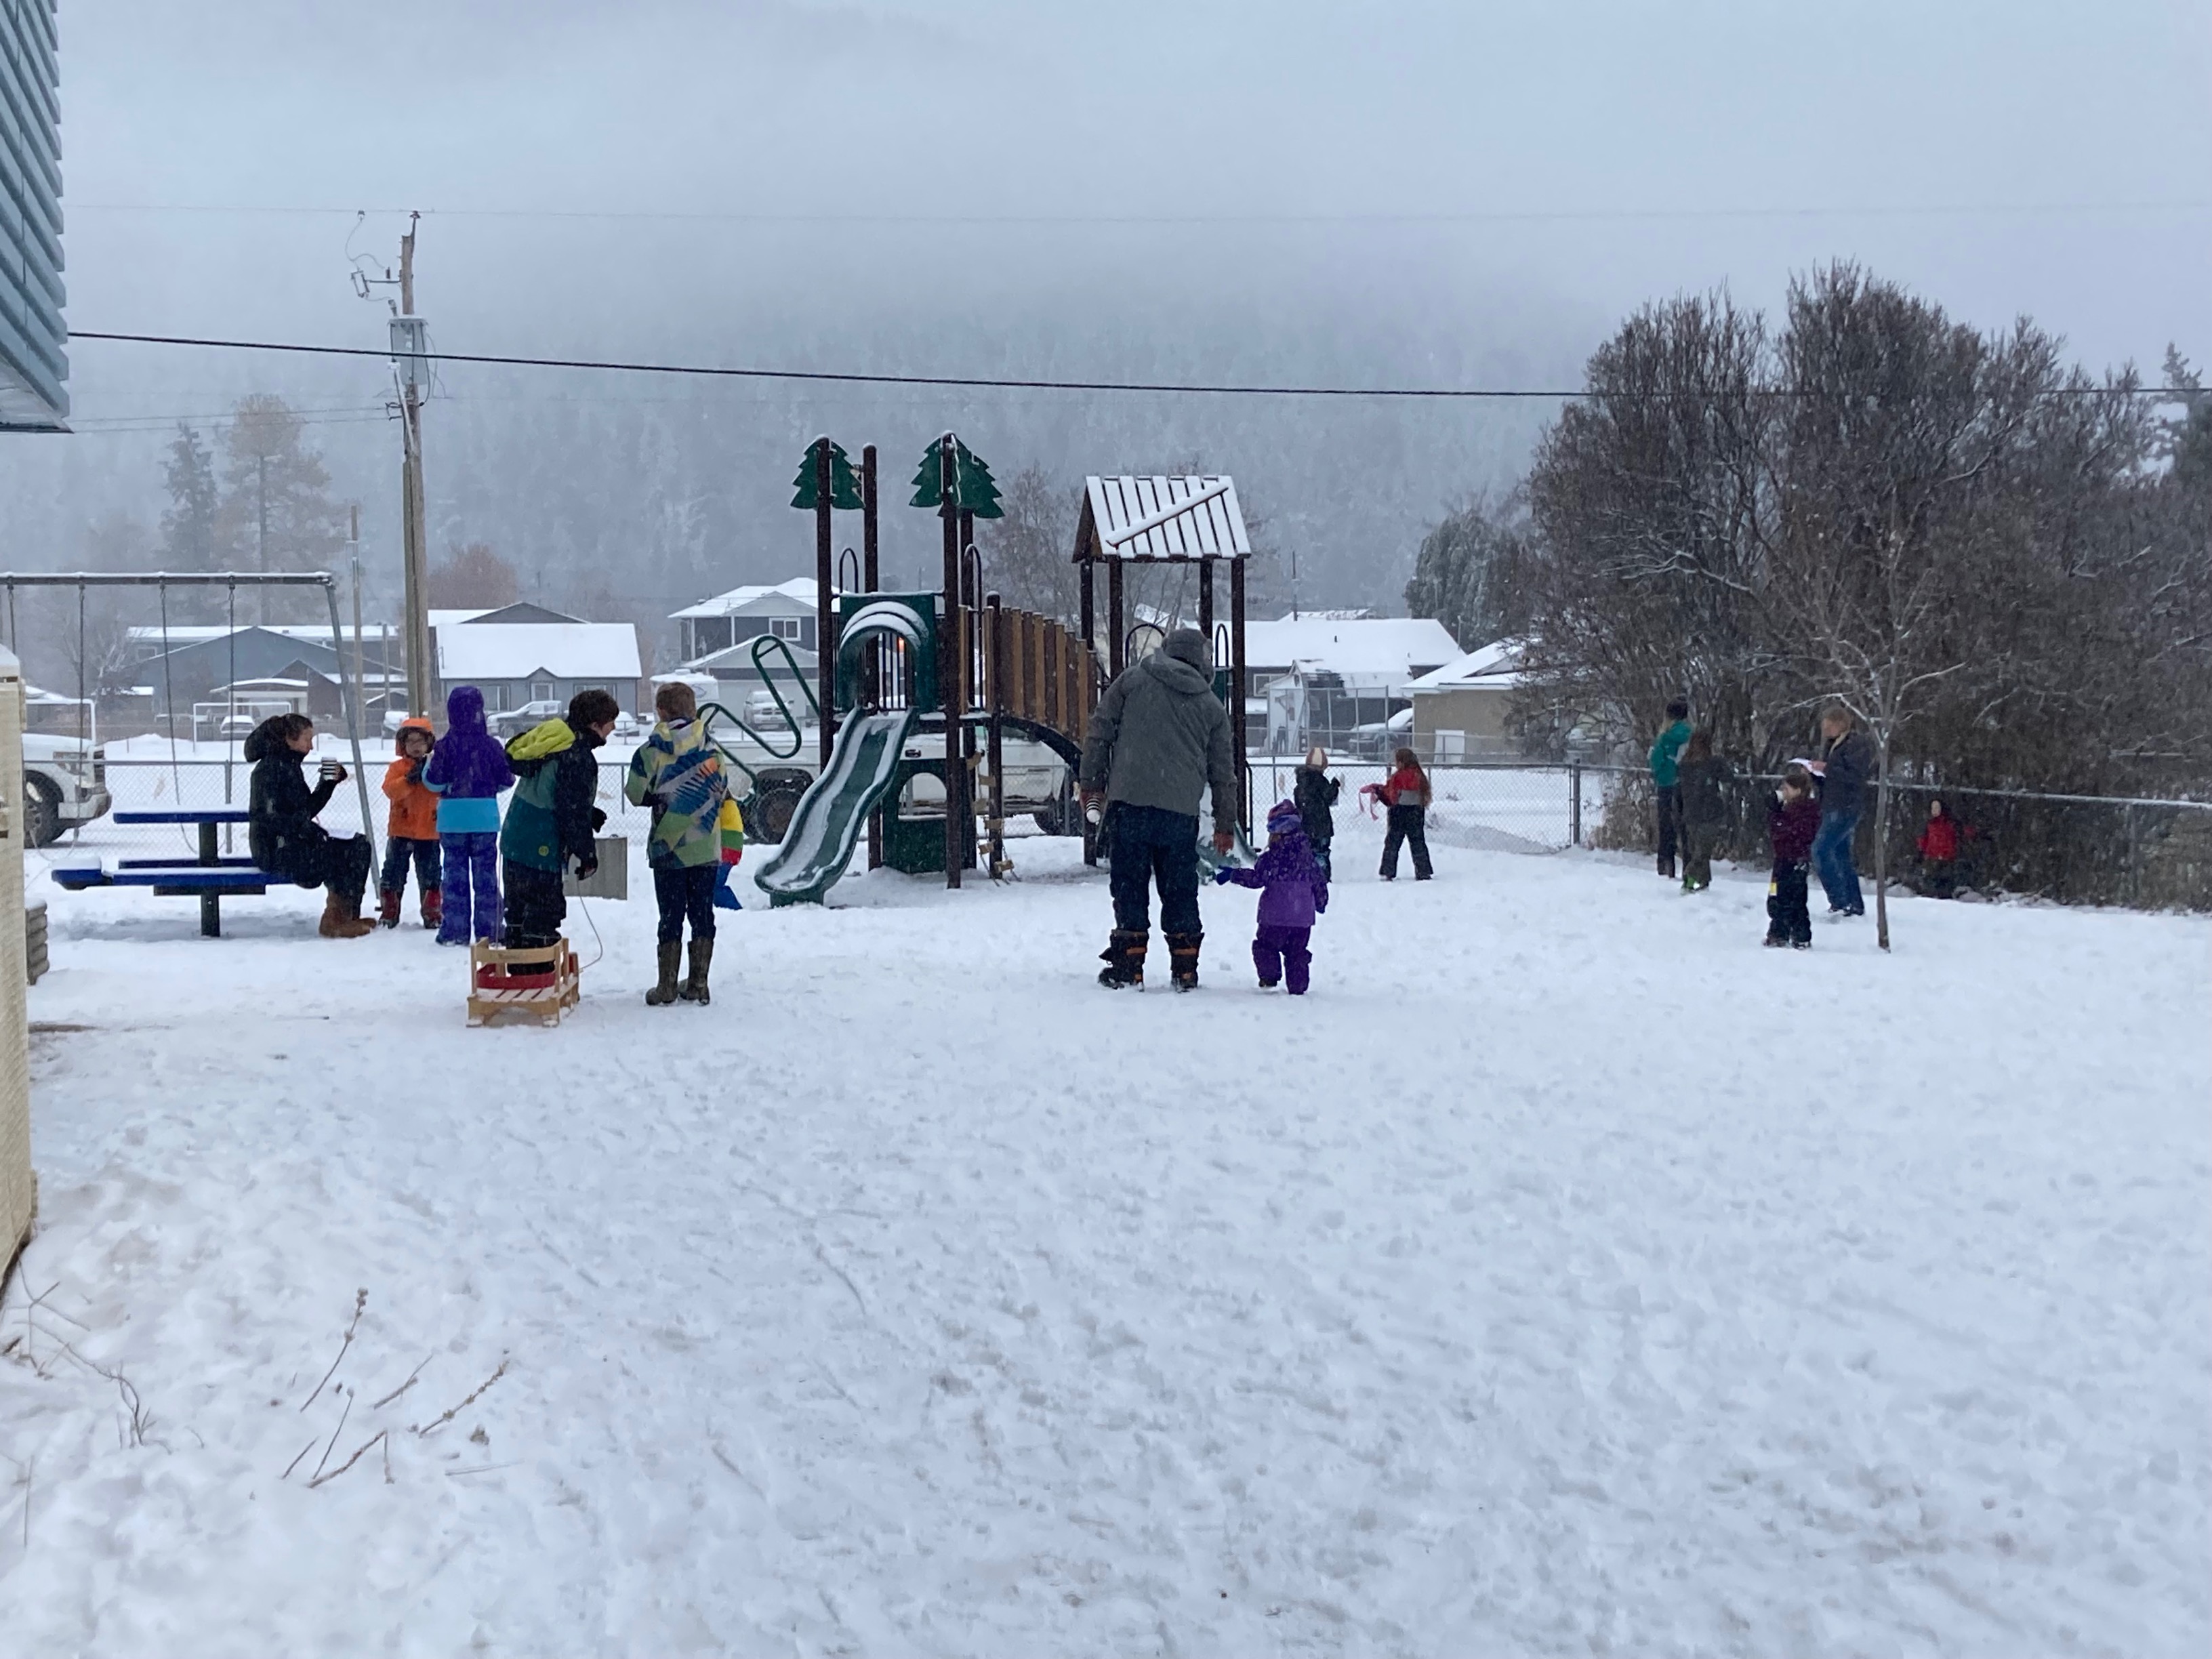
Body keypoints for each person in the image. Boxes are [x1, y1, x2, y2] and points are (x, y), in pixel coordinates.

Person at [1078, 626, 1239, 991]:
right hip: (1180, 813)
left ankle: (1128, 965)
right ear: (1202, 660)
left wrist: (1091, 782)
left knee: (1129, 884)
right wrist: (1225, 823)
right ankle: (1185, 967)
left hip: (1130, 805)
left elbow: (1100, 731)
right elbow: (1223, 773)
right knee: (1180, 887)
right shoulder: (1211, 706)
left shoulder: (1132, 681)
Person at [626, 681, 731, 1006]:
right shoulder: (712, 748)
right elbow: (721, 789)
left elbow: (635, 795)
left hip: (668, 849)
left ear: (661, 711)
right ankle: (699, 983)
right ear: (692, 709)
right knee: (703, 914)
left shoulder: (651, 751)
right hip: (706, 846)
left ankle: (667, 986)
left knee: (670, 916)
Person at [499, 689, 619, 949]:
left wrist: (588, 811)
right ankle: (538, 970)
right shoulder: (578, 756)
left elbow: (553, 792)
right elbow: (571, 813)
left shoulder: (551, 740)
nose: (613, 728)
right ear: (595, 725)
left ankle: (517, 968)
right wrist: (587, 855)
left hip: (515, 837)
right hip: (541, 844)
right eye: (610, 722)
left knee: (517, 914)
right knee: (543, 916)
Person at [244, 712, 375, 939]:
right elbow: (274, 820)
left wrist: (328, 783)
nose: (311, 746)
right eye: (307, 739)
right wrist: (311, 833)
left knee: (358, 845)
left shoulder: (288, 765)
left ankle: (346, 916)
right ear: (289, 739)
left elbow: (304, 811)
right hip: (276, 850)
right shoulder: (270, 770)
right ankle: (335, 921)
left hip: (291, 843)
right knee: (346, 852)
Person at [423, 685, 513, 946]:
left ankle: (454, 931)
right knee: (486, 877)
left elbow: (433, 783)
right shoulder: (491, 746)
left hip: (452, 820)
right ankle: (490, 930)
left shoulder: (444, 746)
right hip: (484, 818)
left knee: (454, 877)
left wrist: (434, 770)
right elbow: (507, 780)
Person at [1214, 798, 1330, 994]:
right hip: (1302, 918)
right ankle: (1298, 986)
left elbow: (1256, 879)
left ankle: (1269, 977)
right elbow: (1319, 882)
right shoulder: (1308, 859)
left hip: (1274, 918)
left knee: (1265, 946)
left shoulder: (1271, 859)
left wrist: (1233, 874)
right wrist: (1320, 902)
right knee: (1297, 953)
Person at [376, 716, 443, 930]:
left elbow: (442, 788)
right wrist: (408, 780)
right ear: (402, 744)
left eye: (420, 741)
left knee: (431, 875)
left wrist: (429, 773)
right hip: (401, 830)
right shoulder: (398, 768)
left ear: (429, 743)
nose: (415, 746)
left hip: (430, 831)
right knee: (393, 873)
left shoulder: (435, 766)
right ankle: (390, 912)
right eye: (410, 741)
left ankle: (432, 912)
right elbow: (390, 791)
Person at [1809, 703, 1872, 917]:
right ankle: (1853, 903)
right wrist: (1815, 774)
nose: (1826, 731)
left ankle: (1839, 899)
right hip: (1831, 804)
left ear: (1841, 724)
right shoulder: (1832, 745)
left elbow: (1855, 777)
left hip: (1846, 806)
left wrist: (1827, 769)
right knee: (1841, 855)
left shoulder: (1856, 745)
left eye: (1829, 727)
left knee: (1821, 849)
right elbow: (1832, 778)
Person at [1765, 762, 1820, 949]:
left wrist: (1776, 816)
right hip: (1783, 859)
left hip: (1794, 860)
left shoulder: (1804, 811)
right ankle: (1783, 932)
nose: (1784, 792)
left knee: (1792, 899)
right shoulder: (1790, 809)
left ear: (1798, 791)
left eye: (1786, 789)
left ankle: (1790, 934)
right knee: (1777, 895)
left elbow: (1787, 831)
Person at [1675, 729, 1729, 893]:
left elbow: (1679, 791)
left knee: (1699, 850)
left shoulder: (1684, 765)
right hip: (1709, 813)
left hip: (1691, 813)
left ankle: (1703, 882)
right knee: (1701, 852)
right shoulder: (1714, 763)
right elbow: (1728, 778)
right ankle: (1689, 880)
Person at [1374, 747, 1433, 881]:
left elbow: (1391, 797)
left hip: (1399, 812)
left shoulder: (1397, 777)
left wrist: (1379, 792)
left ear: (1401, 762)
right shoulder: (1420, 776)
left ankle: (1388, 871)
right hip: (1416, 812)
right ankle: (1423, 871)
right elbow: (1425, 797)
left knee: (1393, 843)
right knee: (1418, 842)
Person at [1649, 697, 1692, 878]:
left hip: (1667, 784)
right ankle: (1690, 868)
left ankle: (1666, 865)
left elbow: (1655, 760)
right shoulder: (1693, 736)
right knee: (1687, 829)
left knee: (1667, 828)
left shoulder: (1665, 737)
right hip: (1689, 786)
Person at [1293, 745, 1340, 880]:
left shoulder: (1301, 783)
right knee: (1322, 852)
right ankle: (1322, 877)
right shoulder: (1321, 781)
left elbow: (1298, 802)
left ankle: (1307, 875)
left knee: (1308, 851)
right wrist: (1335, 786)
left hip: (1306, 824)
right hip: (1321, 824)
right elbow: (1329, 797)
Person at [1918, 797, 1961, 899]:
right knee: (1930, 880)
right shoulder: (1928, 824)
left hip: (1947, 858)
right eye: (1933, 808)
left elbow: (1954, 840)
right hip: (1931, 857)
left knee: (1945, 881)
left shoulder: (1950, 823)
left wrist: (1949, 853)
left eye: (1937, 808)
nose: (1934, 811)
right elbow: (1923, 838)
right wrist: (1922, 851)